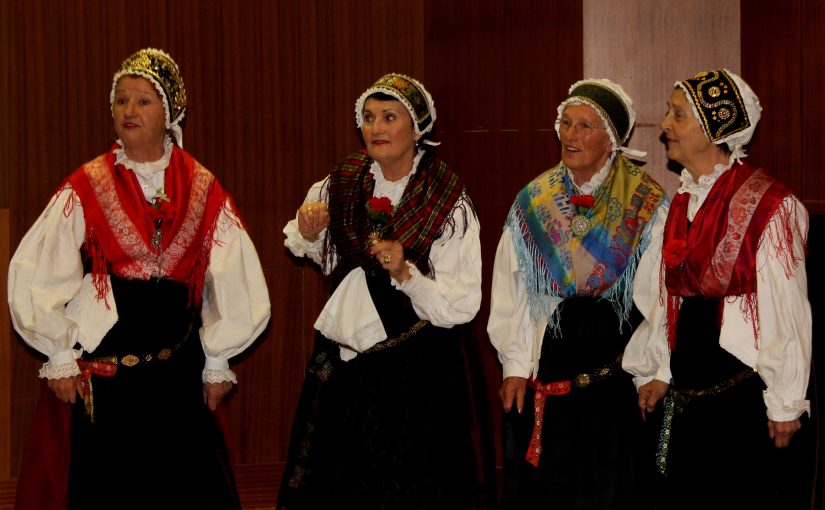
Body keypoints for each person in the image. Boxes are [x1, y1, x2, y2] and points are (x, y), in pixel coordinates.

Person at [7, 48, 271, 509]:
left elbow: (234, 277)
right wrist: (59, 353)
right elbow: (39, 271)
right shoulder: (87, 184)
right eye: (121, 100)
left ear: (169, 113)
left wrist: (218, 358)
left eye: (143, 101)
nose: (129, 110)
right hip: (110, 381)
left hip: (177, 377)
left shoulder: (202, 186)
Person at [279, 73, 481, 509]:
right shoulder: (344, 179)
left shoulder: (445, 195)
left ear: (418, 128)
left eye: (389, 117)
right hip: (348, 363)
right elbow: (318, 251)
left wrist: (406, 273)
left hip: (415, 368)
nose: (376, 128)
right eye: (369, 118)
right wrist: (311, 231)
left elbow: (460, 305)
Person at [623, 69, 812, 509]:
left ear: (716, 128)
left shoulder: (770, 206)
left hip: (740, 398)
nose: (664, 125)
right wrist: (661, 370)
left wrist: (784, 402)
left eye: (678, 115)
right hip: (690, 397)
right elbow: (669, 300)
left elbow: (786, 308)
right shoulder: (683, 202)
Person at [487, 78, 668, 509]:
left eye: (585, 126)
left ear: (612, 140)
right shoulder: (534, 200)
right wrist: (515, 365)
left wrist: (652, 370)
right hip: (550, 375)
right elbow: (511, 289)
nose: (571, 134)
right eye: (566, 123)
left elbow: (659, 297)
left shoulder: (644, 202)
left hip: (616, 379)